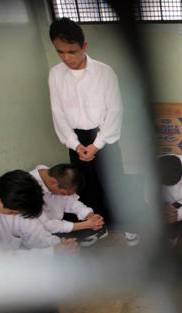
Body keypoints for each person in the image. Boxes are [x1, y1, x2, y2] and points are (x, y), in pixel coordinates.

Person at [48, 18, 125, 245]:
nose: (66, 58)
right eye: (60, 52)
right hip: (76, 139)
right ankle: (96, 226)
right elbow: (58, 112)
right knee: (83, 185)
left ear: (84, 46)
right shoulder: (55, 74)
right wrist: (75, 144)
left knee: (111, 181)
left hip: (104, 136)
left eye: (72, 51)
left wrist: (96, 144)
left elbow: (115, 110)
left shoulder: (104, 72)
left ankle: (119, 223)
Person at [29, 164, 105, 245]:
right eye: (63, 193)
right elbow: (47, 225)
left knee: (98, 213)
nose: (65, 196)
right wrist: (85, 225)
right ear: (53, 182)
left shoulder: (56, 176)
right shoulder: (29, 189)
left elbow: (71, 202)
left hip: (57, 220)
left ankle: (83, 237)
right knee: (70, 245)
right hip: (40, 230)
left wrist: (89, 215)